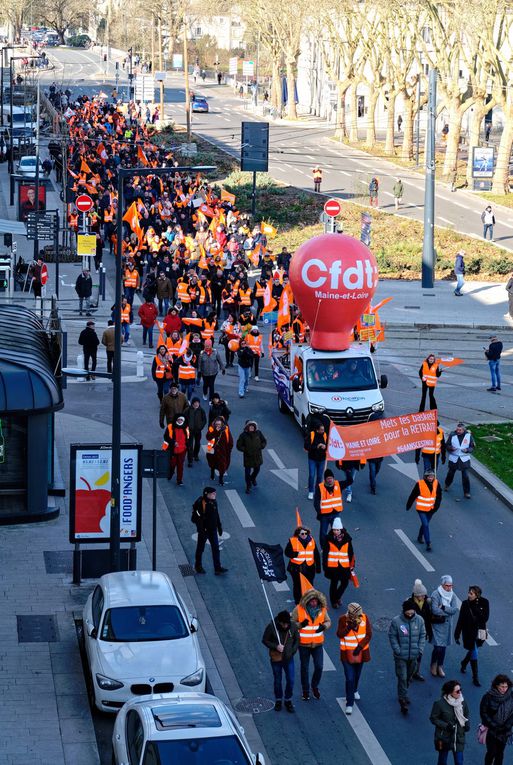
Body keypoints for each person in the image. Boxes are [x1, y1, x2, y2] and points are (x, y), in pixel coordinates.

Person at [291, 587, 331, 701]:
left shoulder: (322, 609)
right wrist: (300, 625)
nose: (314, 603)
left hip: (318, 644)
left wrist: (324, 626)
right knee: (305, 668)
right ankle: (305, 690)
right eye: (312, 601)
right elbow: (291, 623)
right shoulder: (298, 609)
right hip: (303, 645)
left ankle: (314, 686)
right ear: (307, 601)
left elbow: (328, 621)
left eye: (315, 601)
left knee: (319, 667)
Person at [388, 598, 426, 714]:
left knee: (409, 676)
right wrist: (397, 650)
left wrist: (420, 649)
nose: (410, 613)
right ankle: (402, 699)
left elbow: (422, 635)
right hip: (401, 657)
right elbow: (392, 636)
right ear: (404, 611)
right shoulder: (396, 621)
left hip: (414, 655)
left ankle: (403, 693)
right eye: (408, 611)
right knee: (402, 677)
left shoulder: (419, 620)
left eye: (412, 611)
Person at [337, 602, 372, 715]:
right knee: (350, 678)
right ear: (351, 614)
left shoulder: (365, 618)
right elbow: (339, 634)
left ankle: (355, 689)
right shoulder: (343, 619)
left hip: (360, 653)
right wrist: (348, 627)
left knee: (357, 675)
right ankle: (349, 703)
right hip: (346, 654)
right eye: (356, 615)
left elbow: (368, 635)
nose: (358, 617)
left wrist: (360, 647)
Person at [262, 610, 299, 713]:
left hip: (288, 658)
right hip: (276, 659)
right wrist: (276, 646)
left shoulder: (293, 627)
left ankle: (288, 699)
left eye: (287, 623)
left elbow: (297, 640)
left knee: (291, 680)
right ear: (279, 622)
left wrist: (292, 651)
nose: (285, 625)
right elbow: (265, 640)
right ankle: (278, 699)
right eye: (283, 623)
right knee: (278, 680)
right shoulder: (272, 627)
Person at [455, 586, 490, 688]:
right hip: (469, 632)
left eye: (471, 593)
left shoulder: (485, 602)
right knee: (474, 651)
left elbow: (485, 618)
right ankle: (475, 677)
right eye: (469, 593)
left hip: (480, 632)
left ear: (477, 595)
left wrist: (476, 609)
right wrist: (457, 634)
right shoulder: (465, 604)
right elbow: (460, 619)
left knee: (475, 649)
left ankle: (464, 662)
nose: (469, 595)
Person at [430, 680, 470, 765]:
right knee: (442, 761)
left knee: (459, 762)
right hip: (444, 737)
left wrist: (467, 724)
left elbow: (466, 715)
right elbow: (433, 718)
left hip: (458, 737)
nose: (460, 693)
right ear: (450, 692)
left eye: (460, 690)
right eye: (457, 691)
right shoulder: (439, 704)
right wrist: (445, 725)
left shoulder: (462, 702)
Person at [191, 487, 227, 574]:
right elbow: (197, 518)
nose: (215, 494)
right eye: (213, 493)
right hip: (204, 530)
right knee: (200, 548)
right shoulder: (201, 503)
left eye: (215, 493)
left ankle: (217, 568)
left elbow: (216, 514)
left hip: (213, 530)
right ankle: (198, 566)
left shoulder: (214, 501)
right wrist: (201, 530)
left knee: (216, 548)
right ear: (207, 494)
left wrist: (219, 526)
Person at [406, 469, 442, 552]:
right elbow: (413, 495)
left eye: (432, 476)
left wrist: (436, 506)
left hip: (431, 509)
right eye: (429, 476)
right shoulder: (420, 484)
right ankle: (428, 543)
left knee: (425, 524)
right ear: (425, 477)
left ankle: (419, 536)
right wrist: (409, 505)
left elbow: (439, 496)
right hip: (421, 509)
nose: (430, 478)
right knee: (425, 524)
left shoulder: (436, 483)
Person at [480, 675, 513, 765]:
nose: (504, 689)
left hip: (504, 731)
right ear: (496, 686)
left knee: (500, 753)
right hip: (491, 730)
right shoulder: (488, 697)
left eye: (506, 686)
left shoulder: (511, 695)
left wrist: (508, 725)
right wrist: (494, 725)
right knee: (491, 752)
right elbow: (484, 713)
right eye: (502, 686)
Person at [322, 517, 354, 609]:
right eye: (334, 529)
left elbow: (351, 553)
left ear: (341, 530)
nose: (335, 531)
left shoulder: (347, 539)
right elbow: (325, 553)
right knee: (334, 583)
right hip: (333, 566)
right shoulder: (329, 539)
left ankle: (337, 597)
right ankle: (333, 601)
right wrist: (325, 566)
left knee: (345, 583)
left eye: (337, 530)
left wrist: (352, 564)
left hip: (344, 565)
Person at [314, 468, 351, 547]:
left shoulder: (339, 484)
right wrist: (319, 512)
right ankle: (323, 548)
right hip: (324, 515)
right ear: (325, 479)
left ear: (333, 478)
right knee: (323, 533)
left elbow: (350, 481)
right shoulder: (320, 487)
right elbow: (316, 502)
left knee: (339, 531)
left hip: (335, 514)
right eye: (328, 478)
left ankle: (339, 546)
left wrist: (347, 471)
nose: (330, 480)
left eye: (331, 478)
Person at [285, 525, 321, 605]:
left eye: (306, 533)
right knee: (297, 585)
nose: (304, 535)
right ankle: (298, 602)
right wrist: (295, 554)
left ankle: (308, 600)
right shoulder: (292, 541)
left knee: (309, 585)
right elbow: (287, 552)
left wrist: (318, 568)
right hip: (296, 568)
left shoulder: (312, 541)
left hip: (309, 567)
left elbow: (316, 555)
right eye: (302, 534)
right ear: (298, 534)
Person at [430, 575, 458, 679]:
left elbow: (454, 610)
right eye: (447, 585)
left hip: (447, 625)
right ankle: (433, 664)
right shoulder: (436, 594)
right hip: (438, 624)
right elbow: (434, 610)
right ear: (442, 585)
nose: (449, 588)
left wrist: (443, 607)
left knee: (443, 647)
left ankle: (440, 666)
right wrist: (448, 611)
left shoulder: (452, 595)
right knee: (437, 647)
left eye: (451, 585)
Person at [236, 420, 267, 494]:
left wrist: (261, 446)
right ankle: (248, 486)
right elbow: (238, 446)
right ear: (247, 427)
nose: (252, 428)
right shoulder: (243, 435)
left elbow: (264, 441)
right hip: (248, 457)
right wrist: (246, 450)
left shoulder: (258, 433)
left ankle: (253, 478)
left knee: (257, 470)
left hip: (257, 456)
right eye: (250, 426)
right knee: (247, 473)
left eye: (253, 426)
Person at [444, 422, 475, 499]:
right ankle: (447, 485)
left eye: (460, 430)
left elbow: (472, 447)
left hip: (464, 459)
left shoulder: (468, 436)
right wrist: (451, 448)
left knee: (465, 476)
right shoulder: (452, 435)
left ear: (463, 430)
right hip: (454, 458)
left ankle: (467, 492)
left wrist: (467, 450)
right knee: (450, 473)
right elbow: (447, 445)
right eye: (457, 429)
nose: (458, 431)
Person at [410, 579, 433, 681]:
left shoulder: (427, 602)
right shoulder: (409, 604)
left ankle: (416, 672)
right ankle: (409, 673)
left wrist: (429, 632)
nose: (424, 596)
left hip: (422, 633)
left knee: (420, 653)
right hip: (413, 633)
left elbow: (428, 619)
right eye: (422, 595)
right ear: (416, 595)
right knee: (411, 655)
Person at [205, 416, 233, 486]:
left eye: (219, 424)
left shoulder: (225, 429)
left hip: (222, 450)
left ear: (222, 424)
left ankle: (221, 478)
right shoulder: (211, 429)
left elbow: (230, 439)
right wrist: (215, 431)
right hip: (212, 449)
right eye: (216, 424)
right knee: (212, 462)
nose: (218, 426)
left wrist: (229, 448)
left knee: (222, 465)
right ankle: (212, 472)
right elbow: (208, 437)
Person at [162, 414, 189, 485]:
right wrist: (173, 442)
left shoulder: (186, 427)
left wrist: (187, 447)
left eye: (182, 420)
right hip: (172, 450)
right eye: (179, 419)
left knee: (180, 466)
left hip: (182, 450)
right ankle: (170, 474)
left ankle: (179, 480)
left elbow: (188, 438)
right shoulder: (170, 427)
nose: (180, 421)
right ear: (176, 419)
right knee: (172, 465)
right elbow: (166, 437)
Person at [304, 421, 327, 500]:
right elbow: (306, 446)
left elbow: (329, 445)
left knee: (320, 476)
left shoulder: (325, 435)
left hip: (322, 459)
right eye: (321, 430)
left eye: (323, 429)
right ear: (317, 430)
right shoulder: (311, 435)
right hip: (312, 459)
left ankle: (318, 491)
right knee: (312, 475)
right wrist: (316, 447)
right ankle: (311, 491)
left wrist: (325, 447)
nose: (323, 431)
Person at [187, 397, 207, 467]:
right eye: (195, 403)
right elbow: (184, 418)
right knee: (190, 445)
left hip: (198, 430)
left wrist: (200, 427)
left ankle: (195, 455)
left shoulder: (201, 410)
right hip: (190, 431)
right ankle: (190, 460)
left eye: (197, 403)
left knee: (197, 444)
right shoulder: (188, 410)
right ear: (192, 403)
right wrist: (187, 427)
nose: (196, 404)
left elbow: (204, 420)